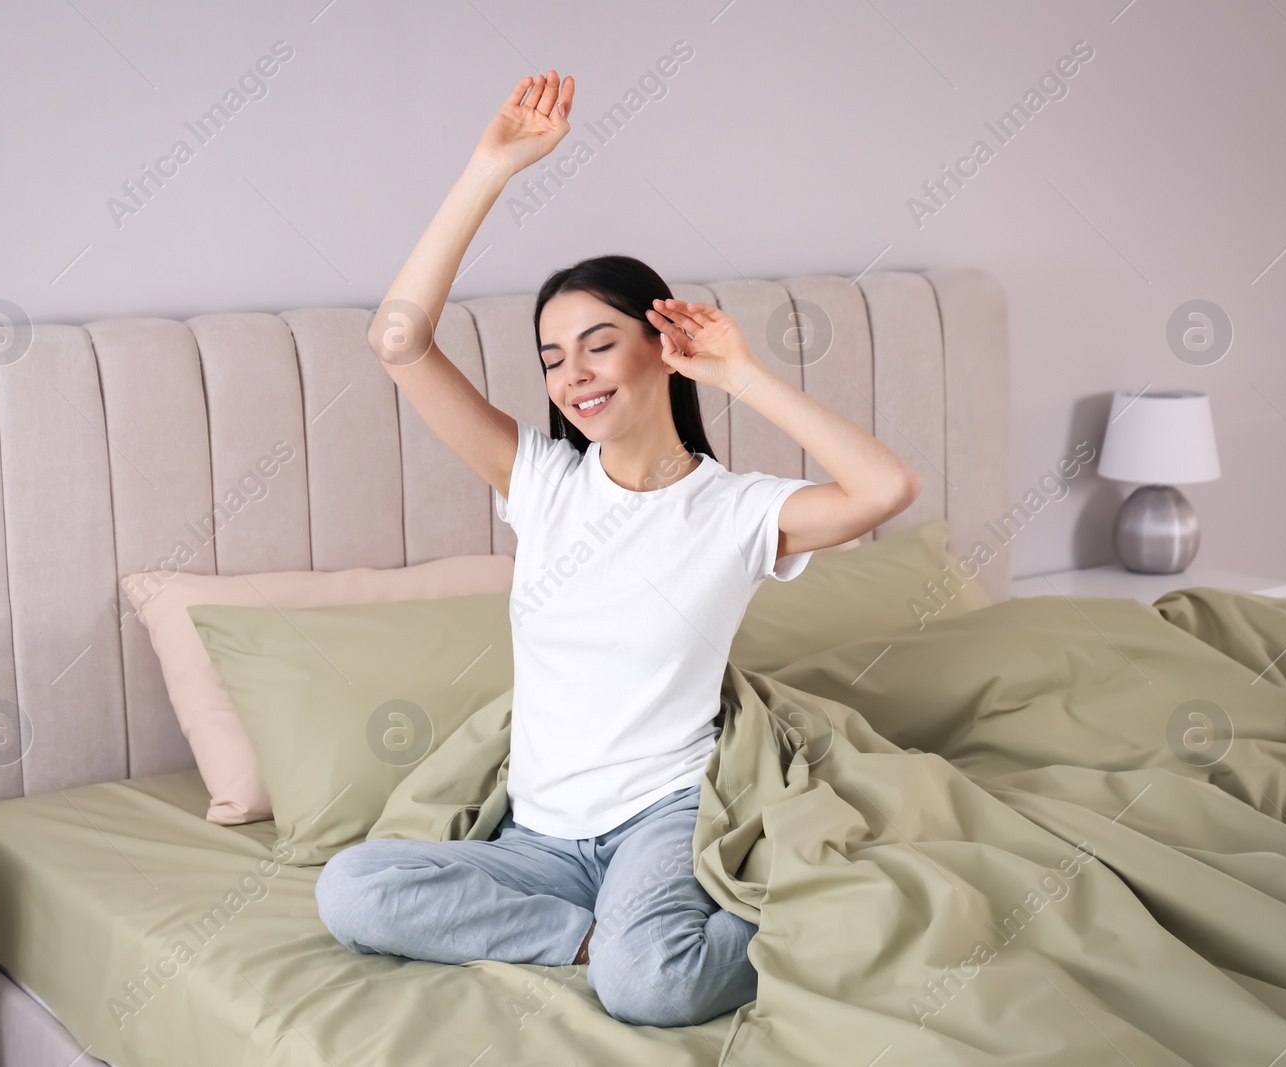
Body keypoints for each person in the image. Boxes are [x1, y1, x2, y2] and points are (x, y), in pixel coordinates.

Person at [314, 68, 922, 1029]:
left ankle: (778, 929)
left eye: (598, 344)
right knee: (351, 890)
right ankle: (592, 938)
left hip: (661, 822)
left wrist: (742, 373)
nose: (573, 377)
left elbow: (886, 489)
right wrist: (489, 167)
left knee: (653, 989)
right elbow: (398, 340)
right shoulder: (542, 483)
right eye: (553, 358)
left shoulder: (737, 511)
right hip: (540, 841)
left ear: (662, 345)